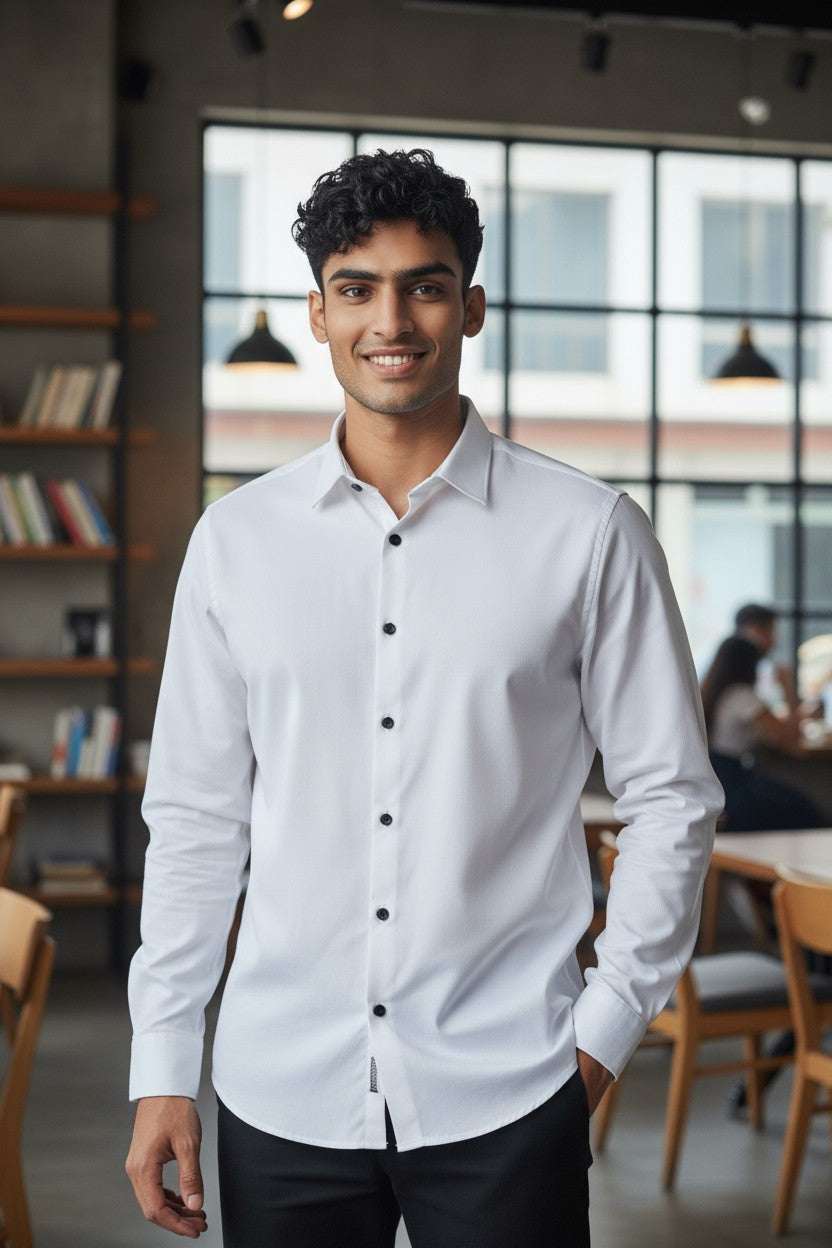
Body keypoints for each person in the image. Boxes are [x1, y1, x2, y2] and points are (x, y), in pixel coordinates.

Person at [125, 148, 722, 1247]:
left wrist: (599, 1035)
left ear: (472, 306)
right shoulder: (236, 544)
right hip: (281, 1087)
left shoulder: (590, 533)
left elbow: (672, 800)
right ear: (317, 312)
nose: (389, 319)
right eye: (357, 287)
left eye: (424, 284)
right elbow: (196, 822)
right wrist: (163, 1064)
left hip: (510, 1084)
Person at [700, 634, 823, 832]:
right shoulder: (743, 695)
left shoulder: (716, 693)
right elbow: (791, 740)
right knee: (805, 811)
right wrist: (787, 687)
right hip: (733, 786)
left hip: (718, 781)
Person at [733, 602, 798, 714]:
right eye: (770, 631)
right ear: (752, 629)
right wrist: (787, 687)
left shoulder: (749, 671)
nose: (773, 640)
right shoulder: (739, 689)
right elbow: (791, 731)